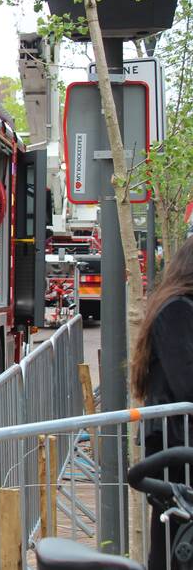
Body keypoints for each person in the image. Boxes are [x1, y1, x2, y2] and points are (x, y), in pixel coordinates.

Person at [131, 235, 193, 569]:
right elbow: (186, 382)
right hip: (175, 443)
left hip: (177, 440)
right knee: (173, 536)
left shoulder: (179, 307)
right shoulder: (177, 309)